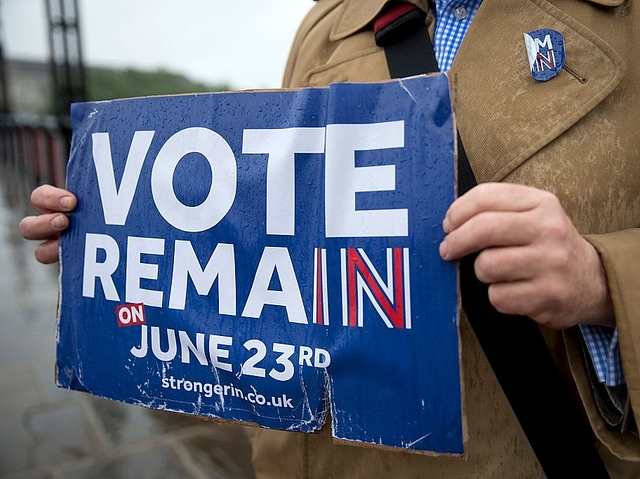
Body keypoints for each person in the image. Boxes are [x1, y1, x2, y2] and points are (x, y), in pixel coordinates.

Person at [19, 0, 640, 476]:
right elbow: (276, 218)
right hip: (330, 452)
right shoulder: (330, 22)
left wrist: (599, 281)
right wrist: (105, 233)